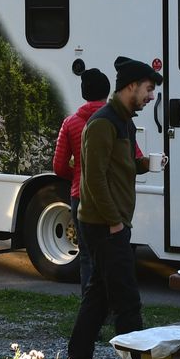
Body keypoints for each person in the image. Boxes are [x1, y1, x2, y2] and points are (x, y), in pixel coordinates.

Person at [64, 56, 164, 359]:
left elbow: (122, 165)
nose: (151, 97)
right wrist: (114, 222)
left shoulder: (124, 122)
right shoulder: (102, 123)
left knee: (98, 296)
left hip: (112, 223)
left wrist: (147, 164)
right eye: (148, 89)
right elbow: (94, 179)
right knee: (127, 301)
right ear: (131, 86)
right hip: (104, 226)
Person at [53, 67, 114, 290]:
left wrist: (77, 177)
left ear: (84, 93)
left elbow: (59, 166)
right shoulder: (117, 120)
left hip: (80, 195)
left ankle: (89, 303)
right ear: (107, 91)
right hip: (110, 196)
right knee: (111, 254)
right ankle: (109, 302)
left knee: (87, 255)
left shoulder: (70, 123)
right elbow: (134, 157)